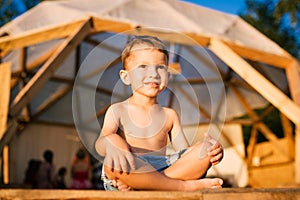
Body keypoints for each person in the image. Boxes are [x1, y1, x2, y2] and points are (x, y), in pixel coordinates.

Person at [95, 35, 224, 191]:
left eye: (160, 67)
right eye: (143, 67)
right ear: (126, 76)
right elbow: (100, 144)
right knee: (112, 161)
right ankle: (182, 186)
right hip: (133, 166)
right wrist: (113, 144)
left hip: (164, 169)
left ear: (168, 76)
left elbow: (183, 153)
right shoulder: (118, 110)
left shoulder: (170, 115)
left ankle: (145, 186)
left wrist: (212, 150)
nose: (153, 73)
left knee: (205, 149)